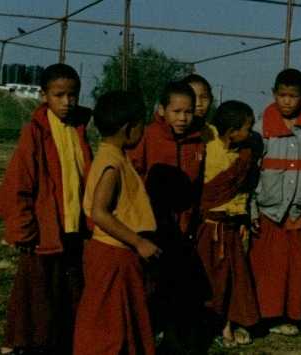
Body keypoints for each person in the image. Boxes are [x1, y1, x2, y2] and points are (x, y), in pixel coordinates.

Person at [0, 63, 93, 355]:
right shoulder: (35, 132)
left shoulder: (79, 129)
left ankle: (62, 340)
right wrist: (23, 228)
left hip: (73, 227)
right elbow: (18, 183)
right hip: (44, 229)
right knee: (37, 293)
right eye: (59, 95)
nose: (67, 102)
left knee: (68, 290)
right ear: (43, 96)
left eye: (72, 95)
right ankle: (29, 344)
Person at [73, 91, 160, 355]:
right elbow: (100, 212)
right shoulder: (111, 163)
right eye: (141, 124)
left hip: (119, 254)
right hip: (112, 255)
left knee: (121, 320)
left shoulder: (115, 156)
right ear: (128, 127)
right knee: (106, 326)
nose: (143, 130)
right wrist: (139, 242)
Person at [127, 81, 210, 353]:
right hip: (151, 225)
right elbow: (133, 175)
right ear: (162, 110)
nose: (183, 118)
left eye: (187, 112)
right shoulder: (148, 136)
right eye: (176, 111)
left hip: (184, 226)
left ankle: (175, 340)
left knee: (180, 284)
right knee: (150, 284)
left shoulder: (198, 140)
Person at [249, 68, 301, 336]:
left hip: (299, 213)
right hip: (269, 212)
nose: (287, 101)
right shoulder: (261, 129)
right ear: (274, 94)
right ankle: (267, 316)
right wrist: (252, 209)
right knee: (269, 269)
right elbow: (250, 174)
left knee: (294, 270)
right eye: (282, 95)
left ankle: (290, 316)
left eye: (293, 96)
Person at [197, 100, 260, 348]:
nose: (251, 132)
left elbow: (242, 190)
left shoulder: (244, 154)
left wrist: (242, 216)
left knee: (232, 278)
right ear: (232, 130)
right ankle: (206, 325)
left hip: (232, 225)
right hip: (209, 226)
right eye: (247, 127)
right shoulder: (208, 143)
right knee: (209, 277)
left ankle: (228, 325)